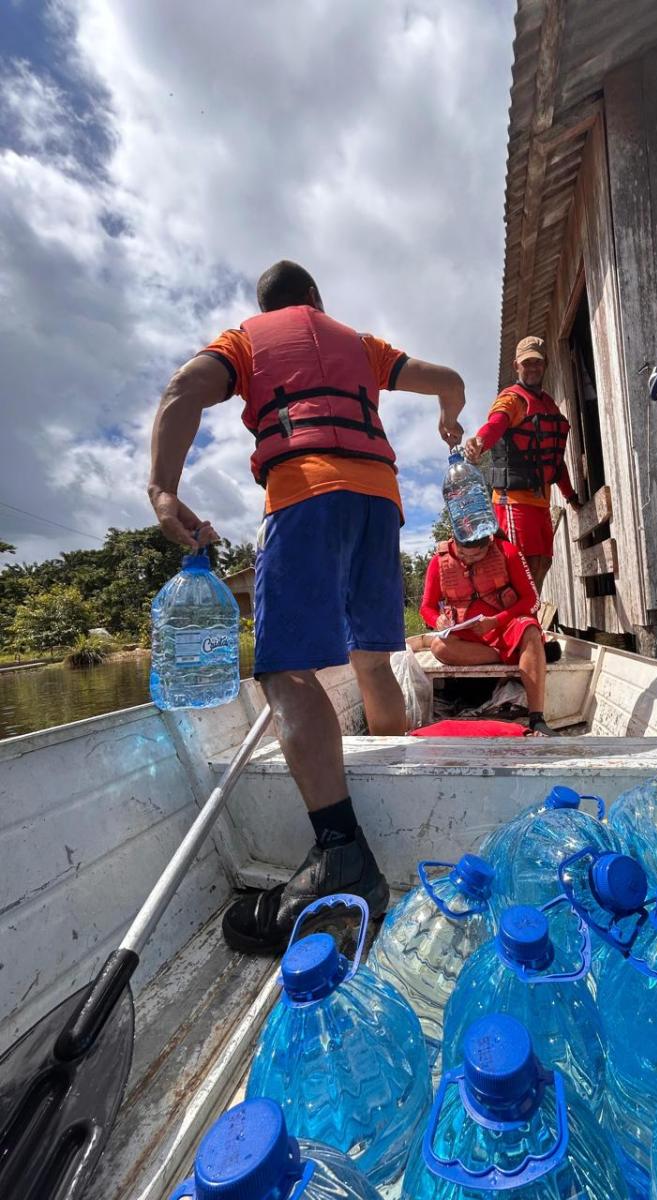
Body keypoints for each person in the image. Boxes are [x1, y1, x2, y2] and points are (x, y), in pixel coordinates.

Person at [148, 260, 466, 954]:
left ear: (266, 307)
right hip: (380, 502)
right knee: (370, 653)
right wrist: (449, 418)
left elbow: (182, 392)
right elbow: (450, 381)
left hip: (306, 494)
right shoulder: (361, 343)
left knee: (286, 673)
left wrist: (163, 490)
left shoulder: (246, 340)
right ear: (317, 301)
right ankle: (390, 765)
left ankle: (341, 850)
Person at [463, 335, 579, 593]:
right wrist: (479, 442)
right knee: (519, 567)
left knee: (542, 564)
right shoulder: (511, 399)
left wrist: (572, 498)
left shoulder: (550, 407)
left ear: (545, 364)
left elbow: (555, 462)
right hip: (512, 500)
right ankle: (514, 626)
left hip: (540, 503)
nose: (533, 368)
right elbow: (495, 424)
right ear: (516, 366)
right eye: (527, 363)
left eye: (537, 362)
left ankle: (527, 623)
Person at [419, 533, 559, 736]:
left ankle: (537, 718)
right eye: (463, 554)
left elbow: (531, 600)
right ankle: (514, 655)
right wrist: (437, 621)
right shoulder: (438, 562)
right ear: (453, 542)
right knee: (438, 647)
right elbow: (427, 608)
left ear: (489, 543)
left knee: (530, 629)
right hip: (469, 635)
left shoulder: (507, 551)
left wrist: (497, 620)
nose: (469, 560)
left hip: (506, 627)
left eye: (477, 555)